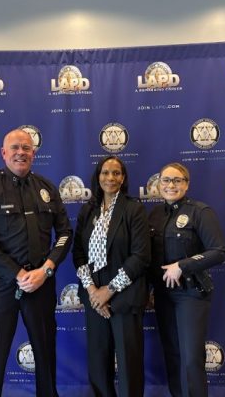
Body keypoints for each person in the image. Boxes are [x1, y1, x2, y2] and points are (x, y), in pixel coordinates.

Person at [0, 129, 72, 397]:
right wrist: (17, 274)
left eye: (26, 148)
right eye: (15, 147)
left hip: (40, 282)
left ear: (33, 154)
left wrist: (46, 269)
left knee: (45, 352)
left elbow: (64, 234)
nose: (20, 153)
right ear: (4, 153)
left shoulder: (47, 188)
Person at [72, 156, 150, 397]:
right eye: (105, 172)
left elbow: (141, 256)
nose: (110, 178)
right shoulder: (88, 210)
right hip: (94, 298)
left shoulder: (133, 209)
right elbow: (79, 253)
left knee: (128, 363)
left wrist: (109, 290)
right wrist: (93, 291)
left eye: (116, 173)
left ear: (123, 178)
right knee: (98, 361)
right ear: (98, 177)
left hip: (125, 296)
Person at [147, 162, 225, 397]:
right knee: (173, 354)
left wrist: (182, 266)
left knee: (191, 358)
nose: (171, 185)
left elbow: (219, 251)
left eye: (177, 180)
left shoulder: (200, 212)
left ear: (187, 184)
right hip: (163, 295)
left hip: (191, 294)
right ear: (158, 184)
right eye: (166, 180)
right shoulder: (154, 215)